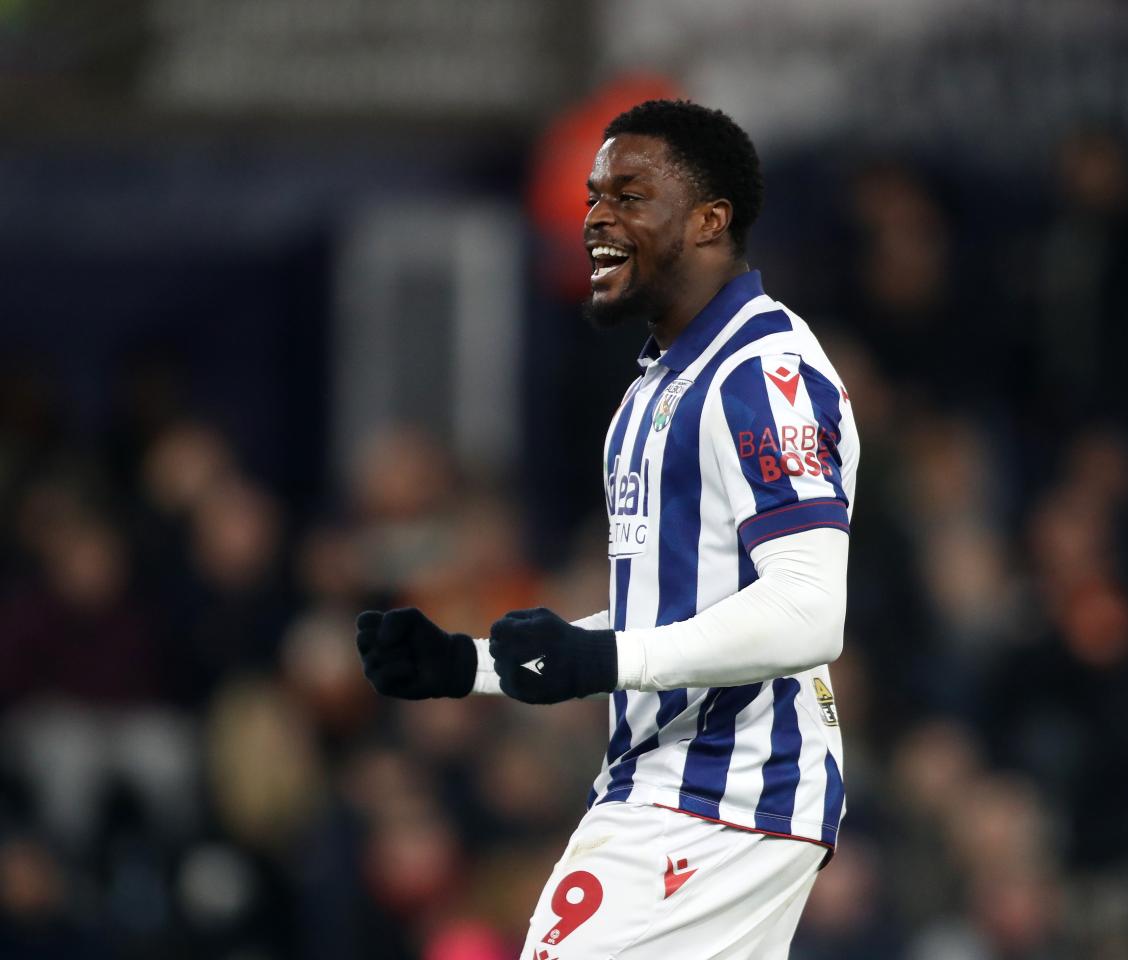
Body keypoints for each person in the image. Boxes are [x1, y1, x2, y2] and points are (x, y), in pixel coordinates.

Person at [356, 99, 859, 959]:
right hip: (674, 787)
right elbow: (664, 623)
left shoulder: (763, 374)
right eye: (593, 197)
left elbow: (812, 612)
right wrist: (469, 664)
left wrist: (604, 661)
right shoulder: (650, 393)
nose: (595, 219)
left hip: (722, 793)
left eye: (628, 195)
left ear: (709, 220)